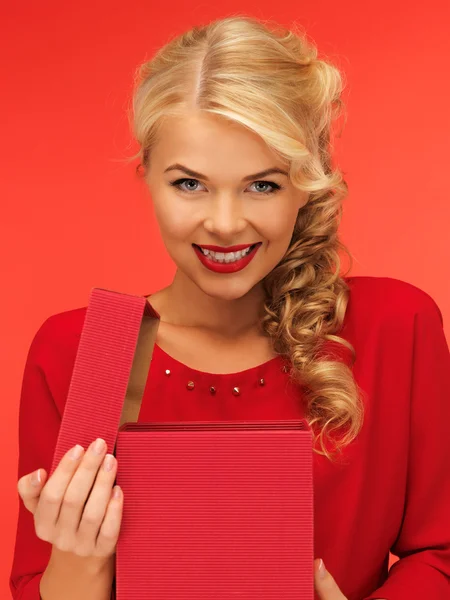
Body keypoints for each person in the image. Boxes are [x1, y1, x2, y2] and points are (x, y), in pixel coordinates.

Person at [10, 14, 450, 600]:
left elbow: (441, 554)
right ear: (146, 175)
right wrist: (78, 558)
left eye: (262, 185)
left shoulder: (396, 326)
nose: (222, 224)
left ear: (307, 183)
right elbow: (40, 586)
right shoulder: (83, 350)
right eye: (189, 184)